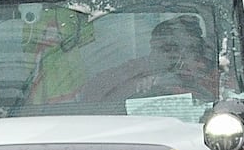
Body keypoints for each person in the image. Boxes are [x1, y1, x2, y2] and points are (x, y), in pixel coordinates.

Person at [86, 16, 220, 104]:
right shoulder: (131, 72)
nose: (178, 55)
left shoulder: (212, 76)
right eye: (169, 48)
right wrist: (135, 87)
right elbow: (93, 95)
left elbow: (230, 102)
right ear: (153, 46)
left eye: (191, 49)